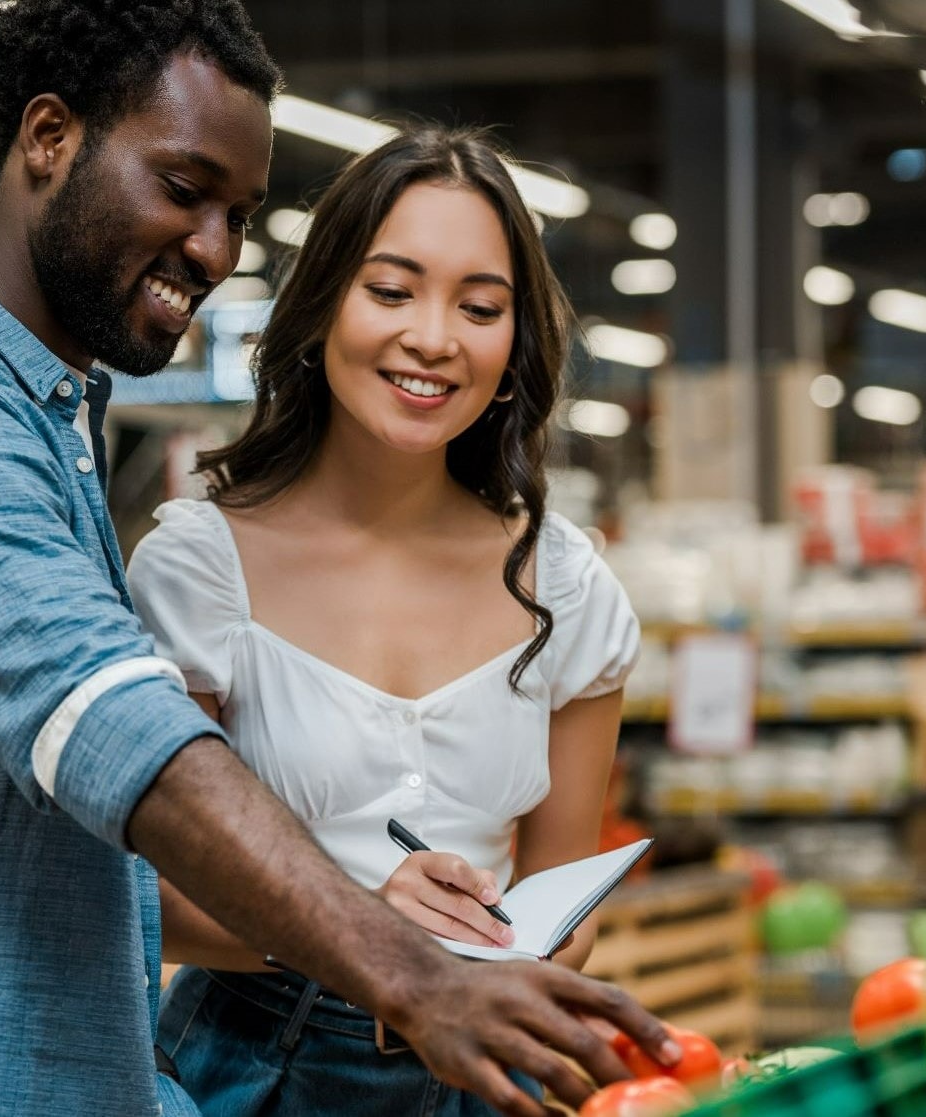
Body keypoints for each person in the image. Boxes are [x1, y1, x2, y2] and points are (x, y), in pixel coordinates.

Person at [0, 3, 676, 1115]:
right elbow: (120, 734)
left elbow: (83, 863)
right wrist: (408, 968)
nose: (216, 251)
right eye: (181, 189)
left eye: (238, 214)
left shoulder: (48, 418)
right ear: (47, 137)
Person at [130, 127, 641, 1115]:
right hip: (254, 1064)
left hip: (487, 1066)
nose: (434, 337)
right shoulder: (200, 572)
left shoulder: (567, 590)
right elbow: (136, 895)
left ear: (514, 339)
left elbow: (566, 903)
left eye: (479, 306)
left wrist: (495, 942)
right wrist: (358, 929)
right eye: (391, 290)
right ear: (320, 305)